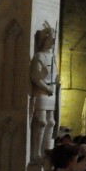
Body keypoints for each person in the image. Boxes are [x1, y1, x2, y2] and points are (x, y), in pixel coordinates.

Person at [30, 23, 60, 160]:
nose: (53, 41)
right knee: (41, 121)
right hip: (43, 91)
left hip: (52, 92)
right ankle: (36, 152)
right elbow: (35, 77)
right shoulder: (39, 56)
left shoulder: (53, 57)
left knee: (51, 122)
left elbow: (55, 75)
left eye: (55, 39)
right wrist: (47, 88)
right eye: (51, 38)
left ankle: (47, 151)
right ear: (45, 40)